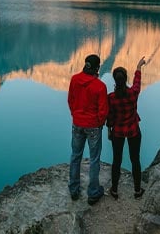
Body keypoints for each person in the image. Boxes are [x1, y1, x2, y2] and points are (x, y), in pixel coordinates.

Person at [68, 54, 109, 205]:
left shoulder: (74, 80)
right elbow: (103, 110)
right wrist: (99, 123)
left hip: (77, 123)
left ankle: (74, 189)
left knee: (75, 156)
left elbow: (71, 100)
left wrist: (75, 115)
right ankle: (92, 192)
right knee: (94, 159)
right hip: (93, 126)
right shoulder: (100, 86)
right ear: (97, 67)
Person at [106, 57, 147, 200]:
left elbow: (110, 118)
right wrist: (138, 66)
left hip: (117, 132)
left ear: (115, 81)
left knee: (116, 160)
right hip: (133, 131)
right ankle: (137, 190)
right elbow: (137, 82)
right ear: (125, 79)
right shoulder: (133, 94)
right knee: (135, 159)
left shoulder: (111, 98)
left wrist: (109, 130)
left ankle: (115, 190)